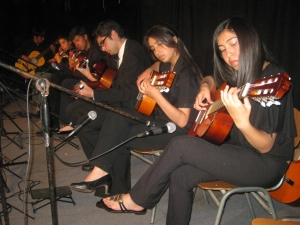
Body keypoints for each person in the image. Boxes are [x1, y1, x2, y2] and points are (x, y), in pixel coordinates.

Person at [97, 16, 296, 225]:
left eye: (233, 43)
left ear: (250, 39)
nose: (228, 54)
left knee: (181, 145)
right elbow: (210, 78)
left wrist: (243, 123)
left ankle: (137, 199)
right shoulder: (238, 73)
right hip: (239, 151)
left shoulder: (272, 78)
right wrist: (204, 88)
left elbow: (266, 147)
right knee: (181, 175)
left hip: (267, 164)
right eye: (221, 49)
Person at [69, 23, 202, 196]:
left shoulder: (186, 74)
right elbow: (156, 65)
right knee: (118, 117)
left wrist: (155, 94)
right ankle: (102, 173)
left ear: (174, 40)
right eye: (154, 48)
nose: (158, 51)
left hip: (176, 131)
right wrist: (148, 70)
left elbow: (183, 120)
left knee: (119, 137)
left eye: (161, 45)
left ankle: (112, 185)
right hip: (158, 119)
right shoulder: (167, 64)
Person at [59, 19, 151, 173]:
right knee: (75, 110)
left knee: (82, 118)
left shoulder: (132, 54)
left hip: (132, 109)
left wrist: (93, 93)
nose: (102, 48)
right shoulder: (123, 52)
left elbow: (127, 93)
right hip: (122, 102)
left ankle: (103, 164)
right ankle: (101, 161)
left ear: (113, 34)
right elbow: (115, 86)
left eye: (103, 43)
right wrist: (90, 78)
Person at [58, 26, 106, 126]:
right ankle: (66, 122)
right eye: (74, 42)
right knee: (65, 83)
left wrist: (75, 66)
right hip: (87, 80)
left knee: (66, 84)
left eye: (78, 40)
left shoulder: (95, 50)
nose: (76, 44)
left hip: (96, 83)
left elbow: (85, 72)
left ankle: (68, 122)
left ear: (85, 36)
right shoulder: (84, 52)